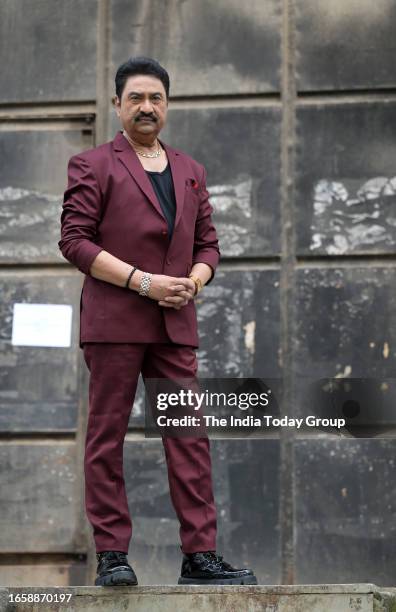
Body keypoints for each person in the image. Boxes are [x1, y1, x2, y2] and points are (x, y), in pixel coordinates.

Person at [58, 56, 257, 587]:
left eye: (157, 99)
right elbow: (74, 241)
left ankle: (200, 556)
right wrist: (143, 282)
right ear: (118, 105)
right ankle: (113, 557)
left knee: (189, 437)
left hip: (174, 326)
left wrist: (194, 281)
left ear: (167, 105)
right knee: (108, 437)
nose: (147, 107)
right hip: (116, 323)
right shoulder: (92, 164)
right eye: (136, 98)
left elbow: (209, 244)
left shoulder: (191, 171)